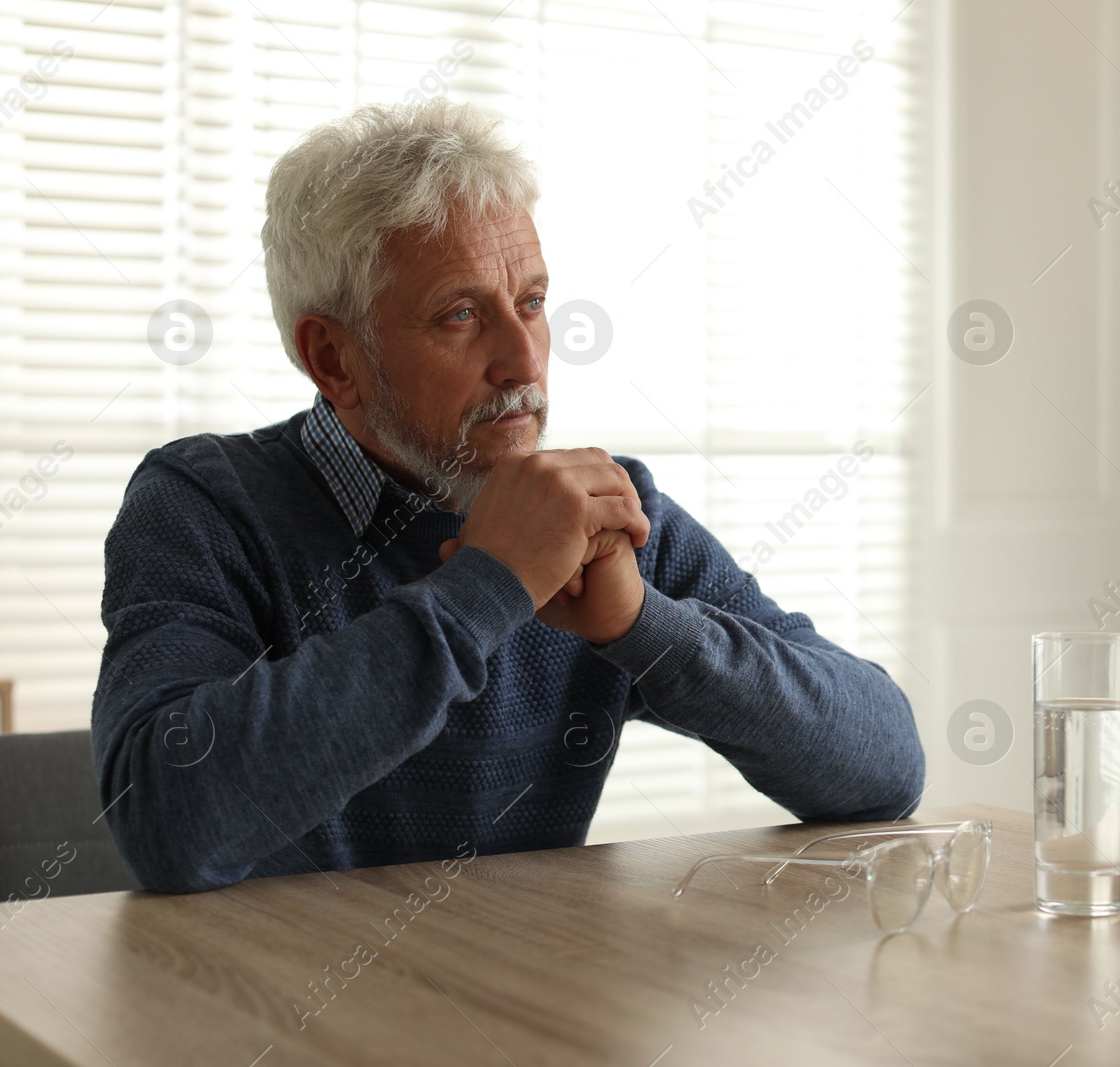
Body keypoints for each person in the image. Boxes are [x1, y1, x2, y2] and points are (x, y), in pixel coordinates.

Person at [90, 98, 924, 893]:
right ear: (335, 360)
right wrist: (489, 586)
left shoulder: (605, 513)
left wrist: (642, 626)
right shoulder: (203, 505)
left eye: (530, 302)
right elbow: (167, 823)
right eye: (460, 314)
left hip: (521, 1005)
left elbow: (886, 767)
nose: (524, 363)